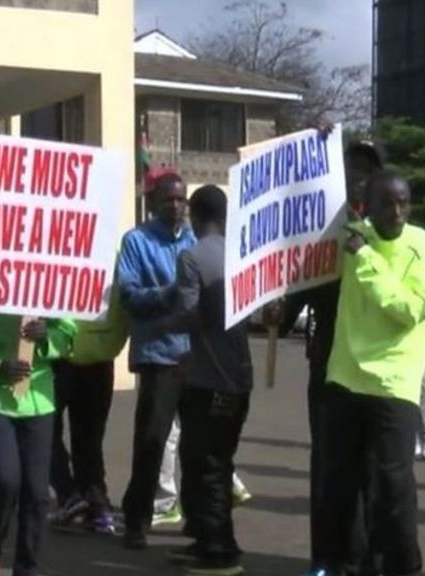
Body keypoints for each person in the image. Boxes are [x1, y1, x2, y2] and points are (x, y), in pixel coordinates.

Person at [315, 171, 425, 576]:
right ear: (366, 206)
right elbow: (306, 260)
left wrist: (367, 259)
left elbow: (408, 310)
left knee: (392, 487)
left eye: (403, 202)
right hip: (345, 379)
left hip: (394, 384)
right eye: (387, 203)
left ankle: (404, 567)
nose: (397, 212)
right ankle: (349, 564)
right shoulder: (351, 237)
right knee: (341, 485)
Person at [279, 136, 384, 575]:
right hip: (327, 374)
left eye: (367, 170)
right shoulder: (319, 242)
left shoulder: (392, 239)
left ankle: (367, 560)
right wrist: (275, 311)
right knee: (328, 469)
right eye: (350, 170)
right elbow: (287, 310)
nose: (358, 179)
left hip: (376, 375)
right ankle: (329, 558)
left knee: (374, 473)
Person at [161, 185, 253, 575]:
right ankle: (203, 539)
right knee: (209, 460)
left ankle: (220, 551)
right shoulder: (244, 255)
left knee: (209, 466)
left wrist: (153, 323)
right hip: (238, 378)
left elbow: (190, 315)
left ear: (194, 216)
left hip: (209, 382)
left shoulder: (192, 257)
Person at [0, 313, 77, 576]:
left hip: (38, 398)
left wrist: (46, 337)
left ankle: (28, 568)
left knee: (37, 491)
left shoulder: (51, 278)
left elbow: (67, 332)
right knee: (6, 480)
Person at [115, 172, 195, 549]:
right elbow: (128, 296)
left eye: (181, 200)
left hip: (196, 357)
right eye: (168, 200)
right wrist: (170, 292)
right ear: (153, 202)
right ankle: (136, 520)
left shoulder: (196, 240)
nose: (175, 207)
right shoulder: (136, 242)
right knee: (151, 441)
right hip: (158, 356)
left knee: (197, 445)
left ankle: (196, 520)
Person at [48, 286, 129, 535]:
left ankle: (79, 498)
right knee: (87, 438)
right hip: (91, 352)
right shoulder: (117, 247)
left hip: (70, 354)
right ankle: (93, 504)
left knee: (47, 431)